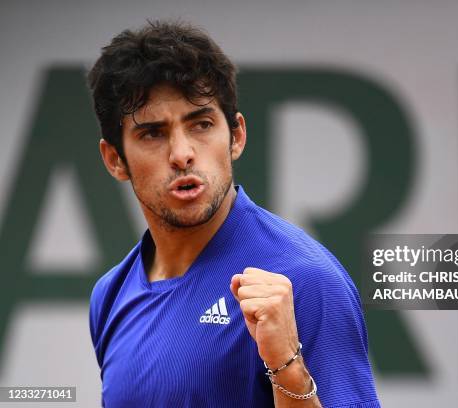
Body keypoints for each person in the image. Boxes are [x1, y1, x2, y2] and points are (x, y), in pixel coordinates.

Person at [87, 19, 381, 408]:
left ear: (236, 136)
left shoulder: (306, 281)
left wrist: (287, 368)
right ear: (115, 160)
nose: (182, 154)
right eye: (152, 133)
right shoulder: (110, 296)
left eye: (202, 124)